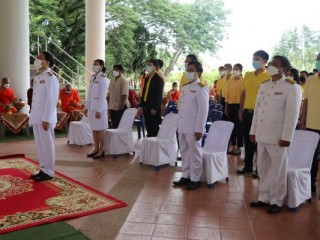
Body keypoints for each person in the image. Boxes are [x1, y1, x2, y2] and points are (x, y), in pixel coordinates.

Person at [249, 55, 302, 213]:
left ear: (284, 69)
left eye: (274, 64)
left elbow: (292, 115)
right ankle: (263, 196)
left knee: (277, 170)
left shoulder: (291, 87)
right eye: (270, 63)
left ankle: (276, 200)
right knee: (262, 168)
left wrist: (287, 137)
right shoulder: (264, 85)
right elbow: (258, 112)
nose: (270, 66)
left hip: (278, 137)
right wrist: (253, 131)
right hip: (262, 135)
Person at [173, 61, 209, 190]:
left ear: (198, 73)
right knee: (184, 152)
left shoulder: (201, 88)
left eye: (191, 70)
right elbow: (182, 108)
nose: (188, 72)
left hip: (193, 127)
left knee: (195, 153)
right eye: (187, 70)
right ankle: (186, 175)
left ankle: (195, 178)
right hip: (182, 126)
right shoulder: (185, 87)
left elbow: (203, 111)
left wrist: (199, 129)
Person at [238, 50, 270, 176]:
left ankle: (259, 168)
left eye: (257, 59)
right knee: (247, 139)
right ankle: (248, 165)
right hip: (247, 112)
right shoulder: (248, 75)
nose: (254, 61)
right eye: (253, 58)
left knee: (259, 141)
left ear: (265, 61)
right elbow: (243, 93)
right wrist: (241, 109)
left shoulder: (269, 76)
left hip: (262, 114)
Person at [29, 51, 59, 182]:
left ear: (47, 61)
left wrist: (46, 118)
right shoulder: (38, 77)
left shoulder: (51, 77)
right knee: (40, 145)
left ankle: (49, 171)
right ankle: (43, 168)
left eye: (39, 58)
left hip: (45, 118)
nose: (37, 60)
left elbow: (51, 99)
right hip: (37, 116)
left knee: (47, 144)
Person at [300, 52, 320, 193]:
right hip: (312, 125)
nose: (318, 62)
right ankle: (310, 184)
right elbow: (305, 102)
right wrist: (303, 121)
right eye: (318, 59)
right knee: (311, 157)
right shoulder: (311, 80)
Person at [84, 59, 109, 159]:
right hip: (92, 108)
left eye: (96, 64)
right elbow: (89, 94)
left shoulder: (103, 79)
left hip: (100, 108)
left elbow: (103, 96)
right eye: (93, 64)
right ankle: (96, 149)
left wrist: (99, 110)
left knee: (100, 130)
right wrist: (86, 107)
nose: (94, 66)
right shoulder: (93, 77)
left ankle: (101, 150)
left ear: (101, 66)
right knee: (94, 129)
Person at [141, 59, 164, 137]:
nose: (148, 66)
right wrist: (142, 104)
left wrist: (154, 107)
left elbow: (158, 96)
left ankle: (154, 147)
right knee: (148, 128)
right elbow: (144, 92)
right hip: (146, 106)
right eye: (147, 65)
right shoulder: (147, 78)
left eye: (150, 65)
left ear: (156, 67)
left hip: (153, 108)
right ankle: (149, 146)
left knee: (154, 129)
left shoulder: (159, 80)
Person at [225, 63, 244, 155]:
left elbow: (244, 96)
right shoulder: (230, 81)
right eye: (234, 69)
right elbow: (227, 96)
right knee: (231, 127)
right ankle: (232, 146)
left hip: (239, 106)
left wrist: (241, 110)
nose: (234, 70)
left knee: (239, 127)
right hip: (231, 106)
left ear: (241, 70)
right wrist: (226, 107)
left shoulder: (243, 81)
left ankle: (239, 147)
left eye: (236, 69)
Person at [108, 64, 130, 128]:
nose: (114, 71)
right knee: (114, 124)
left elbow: (124, 94)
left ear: (121, 71)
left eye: (116, 70)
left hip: (121, 105)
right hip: (112, 105)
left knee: (120, 125)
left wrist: (122, 104)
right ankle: (115, 137)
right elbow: (110, 93)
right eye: (114, 70)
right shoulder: (112, 80)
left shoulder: (123, 80)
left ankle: (121, 138)